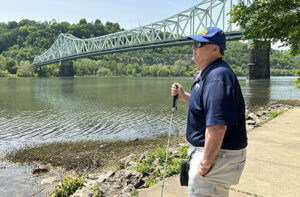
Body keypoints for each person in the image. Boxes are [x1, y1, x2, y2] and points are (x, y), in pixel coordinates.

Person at [171, 27, 248, 197]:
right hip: (214, 153)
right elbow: (207, 107)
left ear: (215, 49)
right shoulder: (209, 73)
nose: (194, 47)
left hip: (217, 155)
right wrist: (184, 96)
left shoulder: (217, 77)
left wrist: (205, 165)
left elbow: (217, 127)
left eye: (199, 43)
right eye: (193, 43)